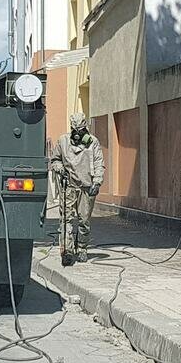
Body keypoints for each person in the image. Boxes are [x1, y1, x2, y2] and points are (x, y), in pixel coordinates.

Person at [50, 113, 105, 266]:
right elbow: (55, 160)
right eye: (76, 130)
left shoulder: (93, 142)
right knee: (66, 219)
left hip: (87, 187)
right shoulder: (63, 141)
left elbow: (99, 163)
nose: (78, 133)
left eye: (81, 130)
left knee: (84, 220)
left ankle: (81, 248)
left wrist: (97, 182)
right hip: (69, 186)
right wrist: (59, 168)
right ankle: (67, 251)